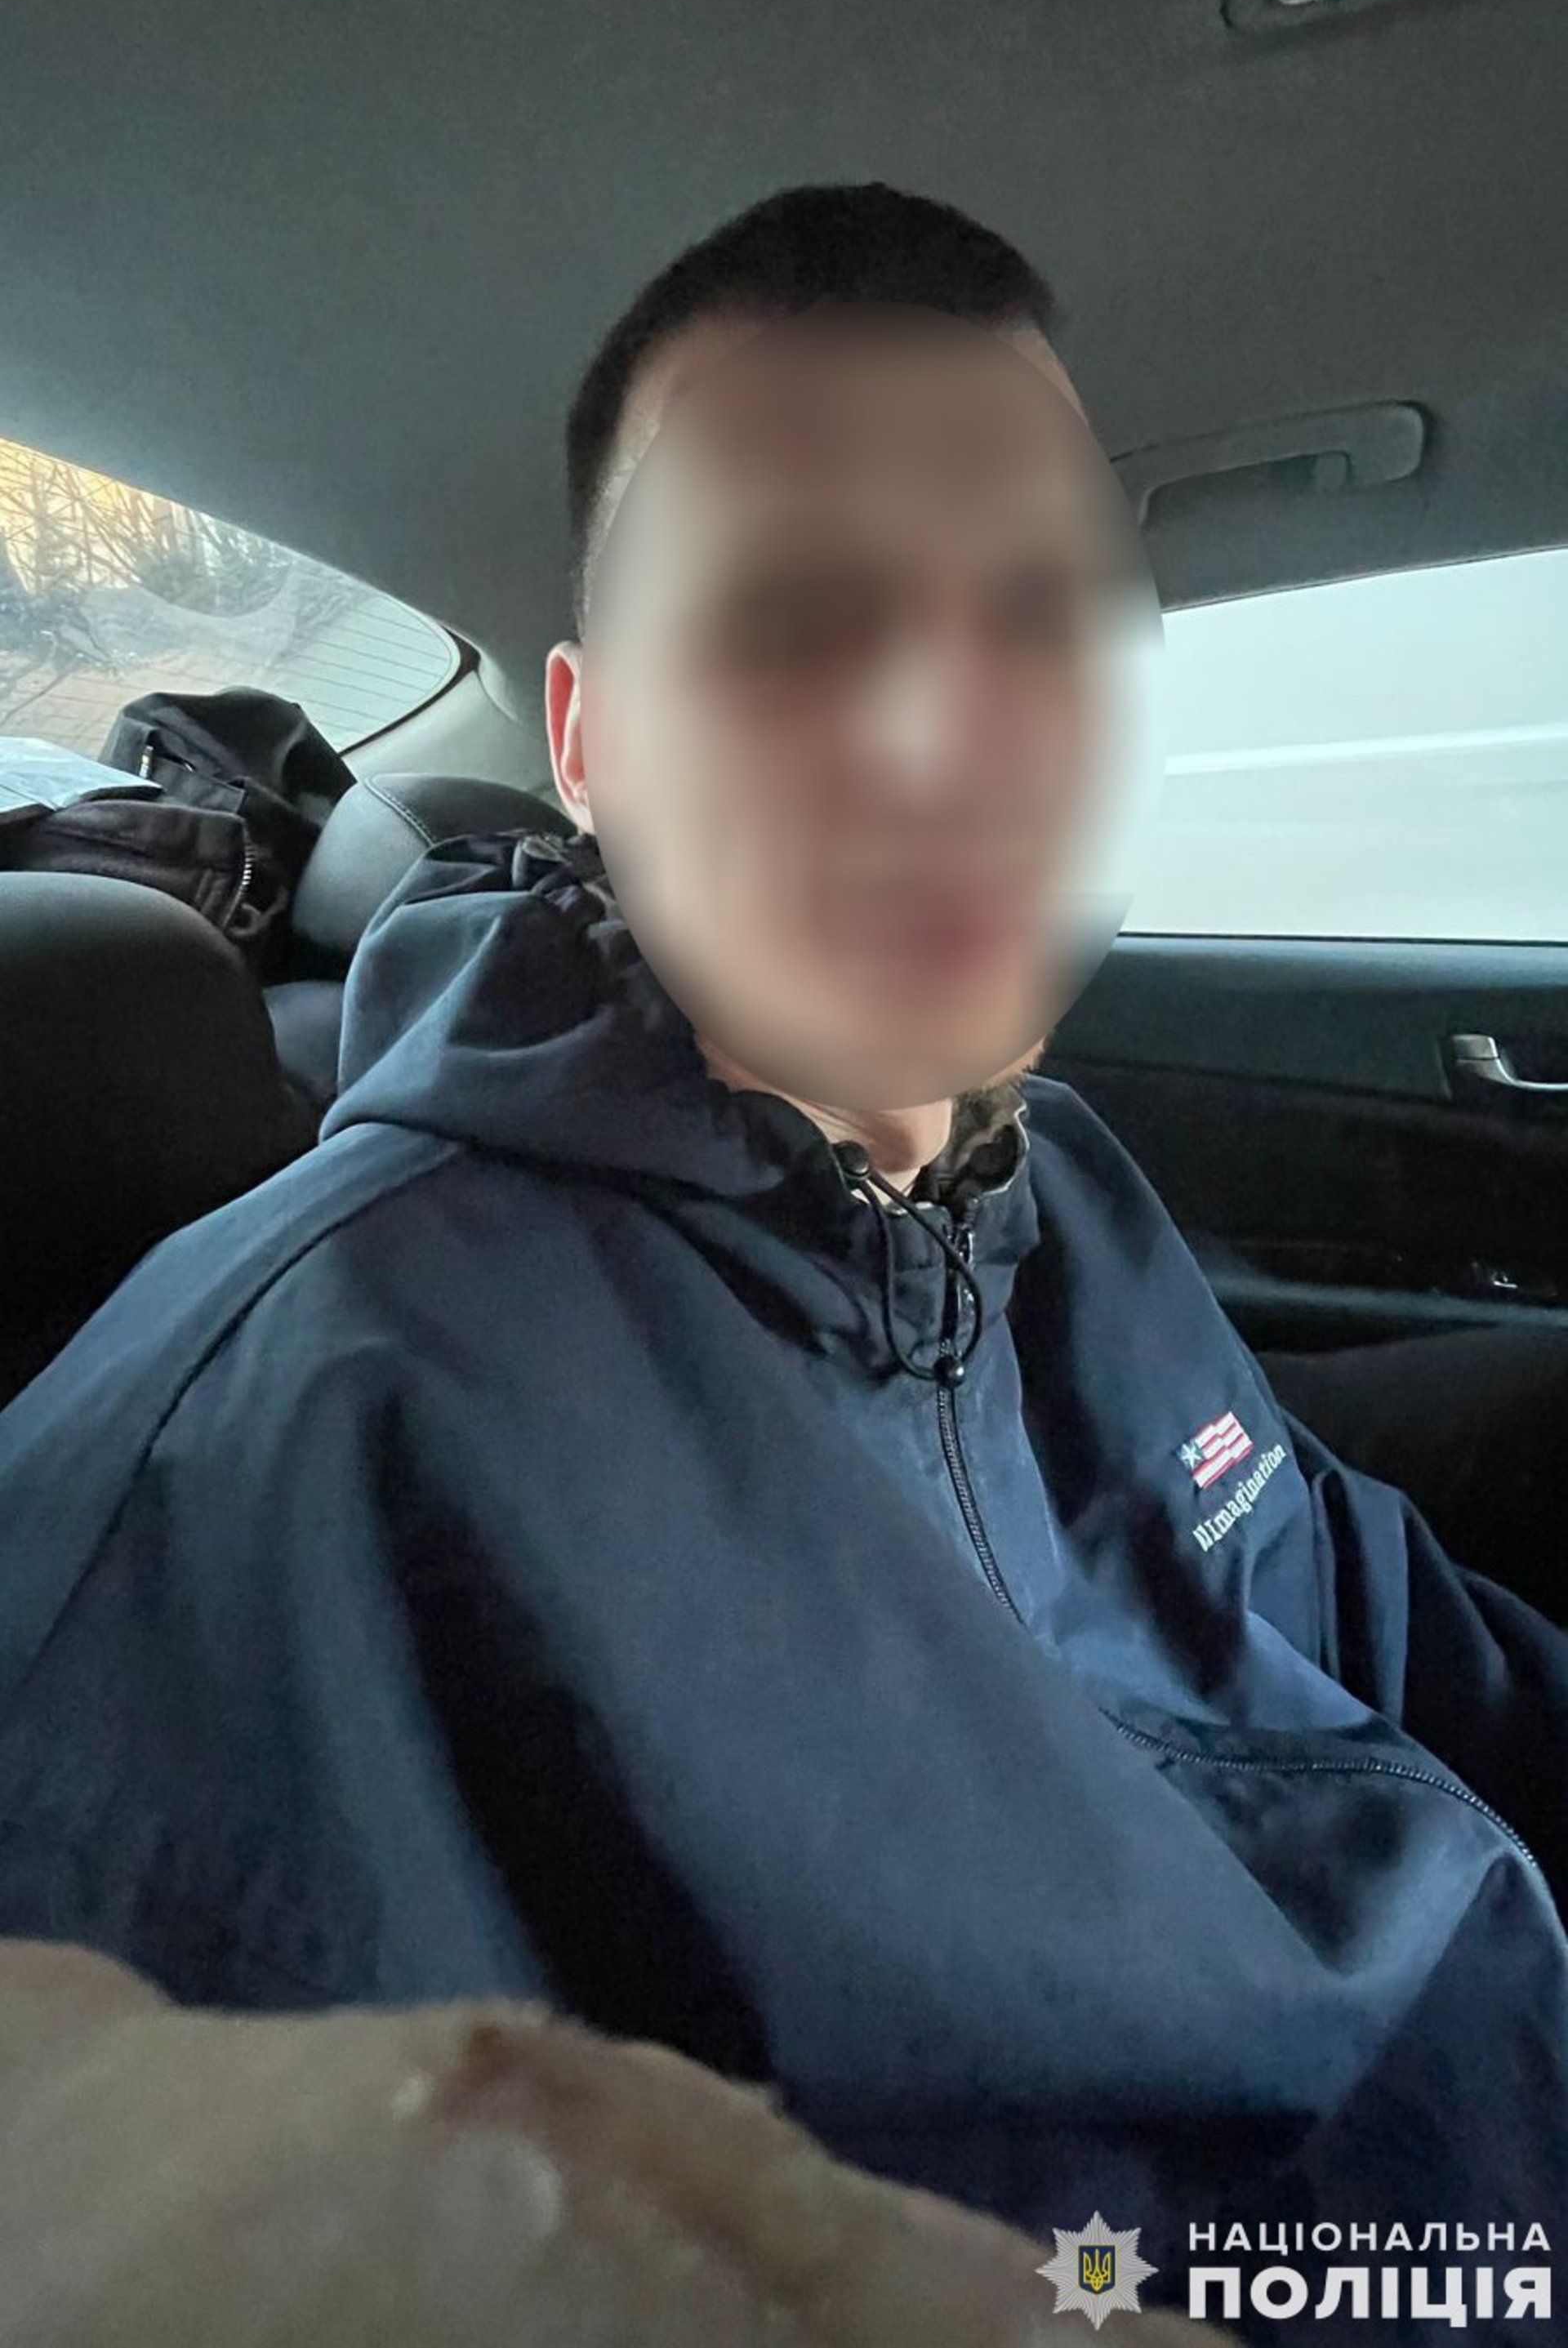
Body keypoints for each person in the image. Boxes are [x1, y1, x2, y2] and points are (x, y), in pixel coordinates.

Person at [0, 182, 1563, 2337]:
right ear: (587, 745)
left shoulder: (1057, 1189)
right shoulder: (295, 1447)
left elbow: (1380, 1632)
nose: (948, 734)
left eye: (1040, 616)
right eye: (802, 624)